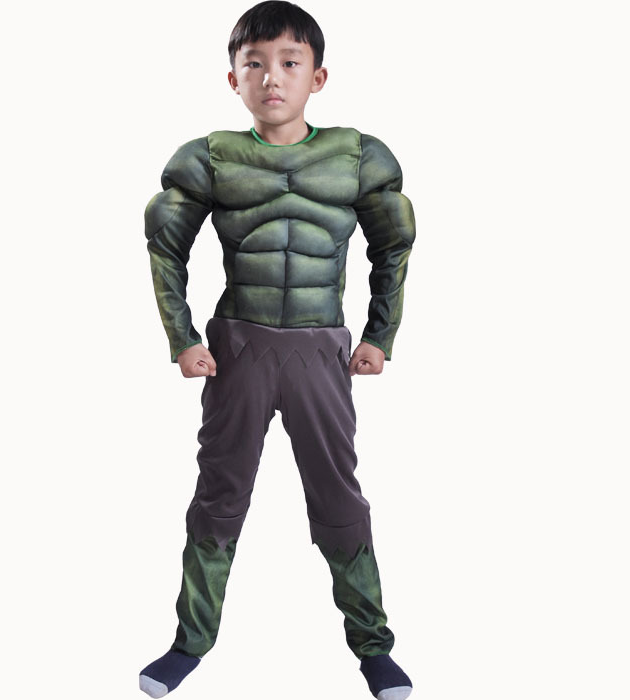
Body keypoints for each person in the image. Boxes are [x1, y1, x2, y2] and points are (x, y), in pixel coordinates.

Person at [138, 2, 416, 698]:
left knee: (339, 496)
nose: (271, 77)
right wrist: (182, 338)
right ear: (232, 78)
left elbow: (394, 245)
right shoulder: (209, 158)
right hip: (240, 348)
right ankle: (190, 643)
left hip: (322, 350)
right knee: (219, 495)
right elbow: (165, 246)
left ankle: (373, 647)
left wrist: (380, 333)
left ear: (317, 77)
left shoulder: (358, 157)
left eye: (289, 62)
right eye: (254, 64)